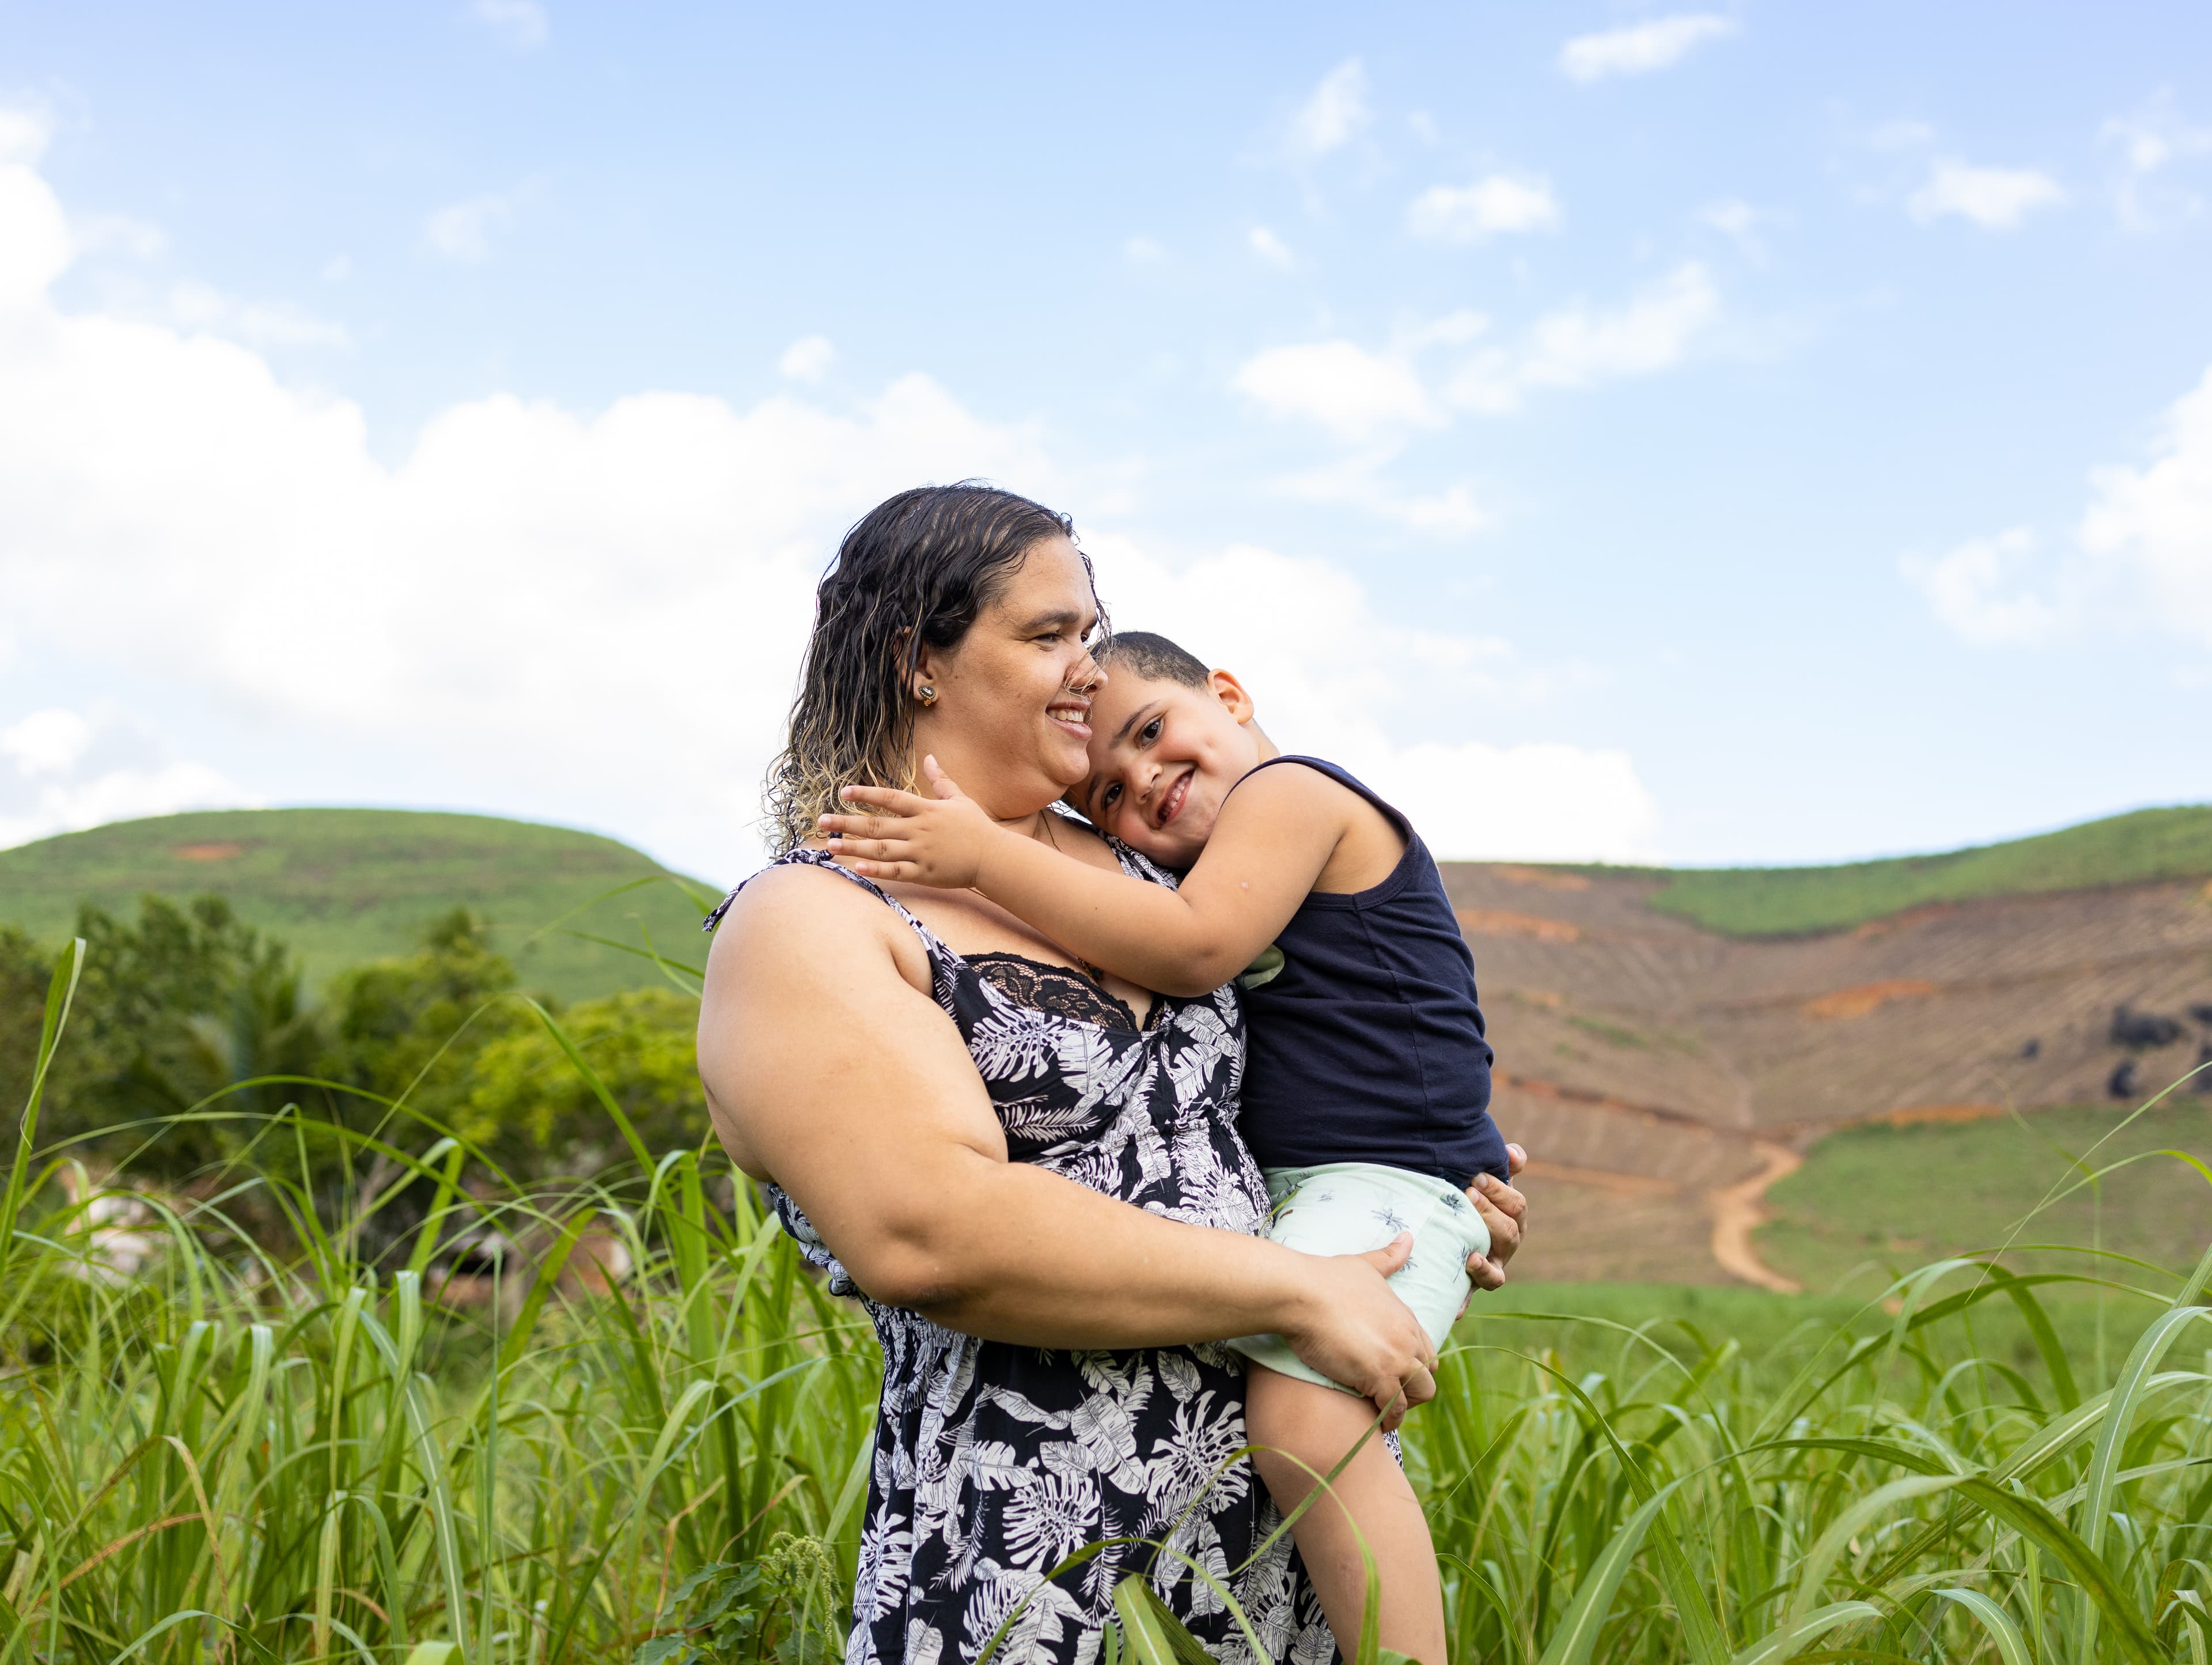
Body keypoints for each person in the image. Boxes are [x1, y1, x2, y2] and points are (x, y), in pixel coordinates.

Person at [698, 484, 1529, 1665]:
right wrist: (1298, 1290)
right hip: (1034, 1569)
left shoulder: (1155, 878)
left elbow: (1324, 1073)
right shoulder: (812, 919)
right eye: (1048, 636)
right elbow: (931, 1230)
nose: (1089, 667)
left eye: (1091, 631)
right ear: (915, 659)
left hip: (1278, 1565)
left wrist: (1437, 1197)